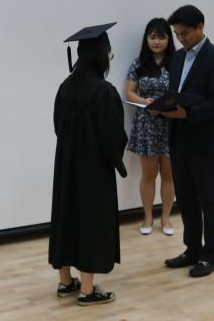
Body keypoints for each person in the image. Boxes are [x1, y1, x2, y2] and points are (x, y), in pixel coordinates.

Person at [49, 23, 128, 306]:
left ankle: (65, 282)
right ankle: (87, 290)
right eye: (109, 53)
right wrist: (114, 159)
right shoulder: (103, 91)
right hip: (93, 168)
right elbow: (113, 135)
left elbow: (58, 126)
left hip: (66, 165)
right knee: (91, 222)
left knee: (66, 217)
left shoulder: (65, 87)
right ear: (100, 56)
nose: (110, 57)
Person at [152, 5, 214, 278]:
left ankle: (211, 256)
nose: (180, 38)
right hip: (178, 139)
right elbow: (175, 94)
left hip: (205, 141)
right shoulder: (177, 58)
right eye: (177, 34)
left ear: (200, 27)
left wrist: (186, 114)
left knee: (209, 200)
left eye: (184, 33)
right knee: (185, 199)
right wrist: (160, 107)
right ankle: (192, 250)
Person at [125, 18, 177, 236]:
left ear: (168, 39)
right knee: (148, 175)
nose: (156, 41)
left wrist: (166, 105)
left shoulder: (177, 62)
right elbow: (129, 92)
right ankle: (147, 217)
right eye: (152, 37)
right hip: (146, 124)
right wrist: (144, 102)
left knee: (169, 175)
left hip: (172, 123)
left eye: (161, 37)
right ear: (146, 38)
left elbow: (183, 92)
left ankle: (165, 218)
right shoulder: (138, 63)